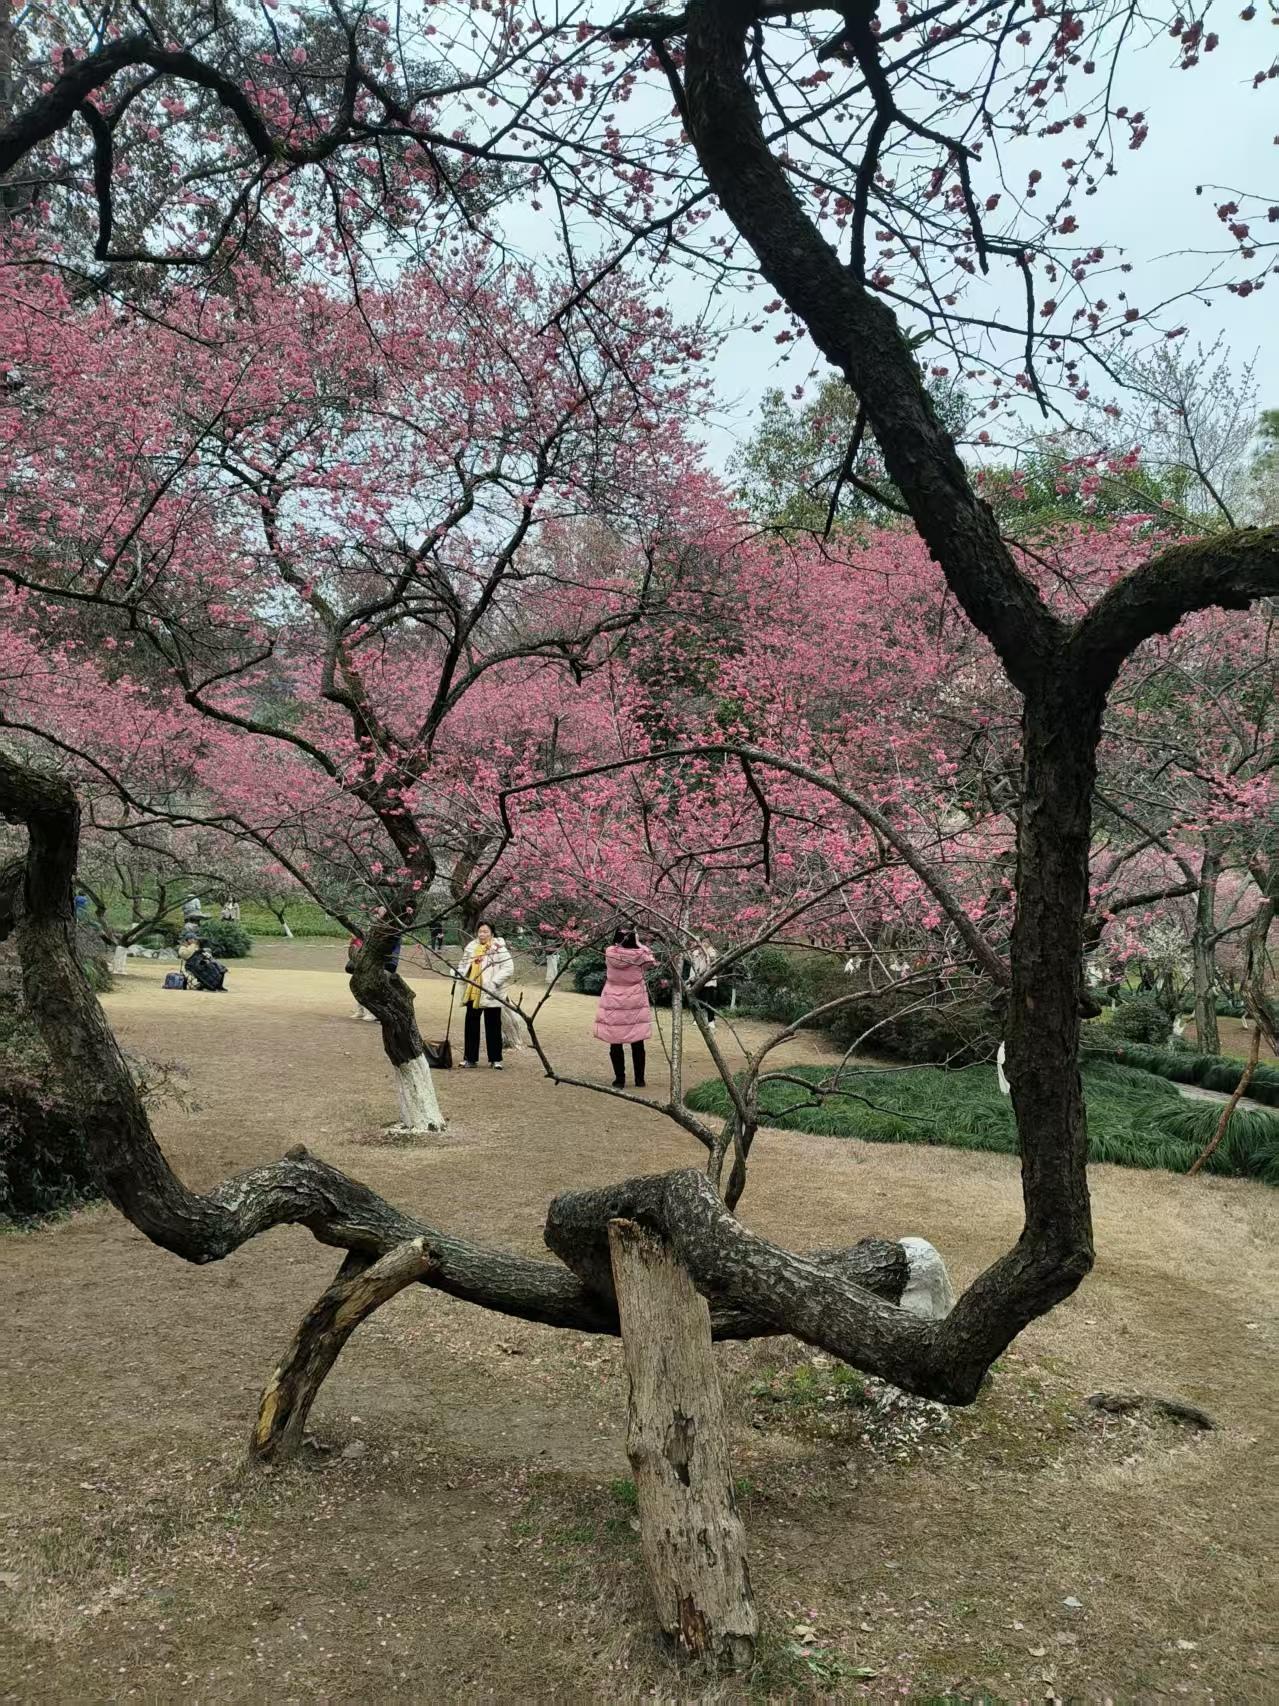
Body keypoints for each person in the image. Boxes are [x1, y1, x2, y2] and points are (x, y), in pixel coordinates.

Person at [594, 927, 656, 1088]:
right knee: (637, 1041)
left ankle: (619, 1079)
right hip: (635, 999)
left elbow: (613, 946)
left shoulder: (610, 952)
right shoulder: (641, 955)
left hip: (613, 998)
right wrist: (639, 944)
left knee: (615, 1041)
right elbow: (651, 961)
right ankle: (639, 1079)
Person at [456, 921, 514, 1068]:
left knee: (493, 1024)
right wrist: (459, 974)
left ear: (492, 933)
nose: (482, 934)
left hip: (491, 991)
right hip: (473, 989)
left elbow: (508, 968)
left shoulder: (499, 948)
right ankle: (470, 1058)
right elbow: (463, 964)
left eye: (485, 932)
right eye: (480, 931)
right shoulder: (471, 947)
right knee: (471, 1023)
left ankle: (495, 1059)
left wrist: (494, 983)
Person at [346, 933, 402, 1022]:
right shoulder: (378, 931)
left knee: (376, 987)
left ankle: (376, 1013)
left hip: (387, 964)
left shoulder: (393, 933)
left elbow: (383, 947)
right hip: (373, 963)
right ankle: (361, 1010)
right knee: (360, 983)